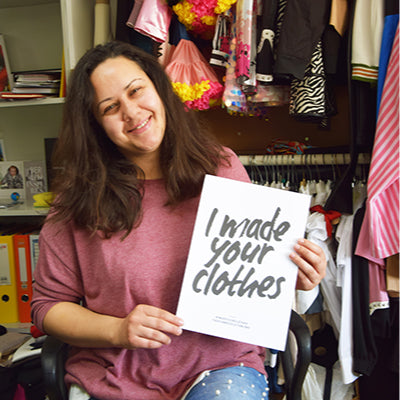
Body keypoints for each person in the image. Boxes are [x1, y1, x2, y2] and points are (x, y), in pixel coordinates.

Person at [31, 41, 326, 400]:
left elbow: (256, 272)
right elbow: (47, 307)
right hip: (112, 377)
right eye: (110, 107)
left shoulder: (220, 166)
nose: (131, 112)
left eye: (136, 90)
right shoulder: (76, 200)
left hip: (221, 368)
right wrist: (118, 330)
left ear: (158, 87)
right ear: (95, 125)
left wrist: (293, 273)